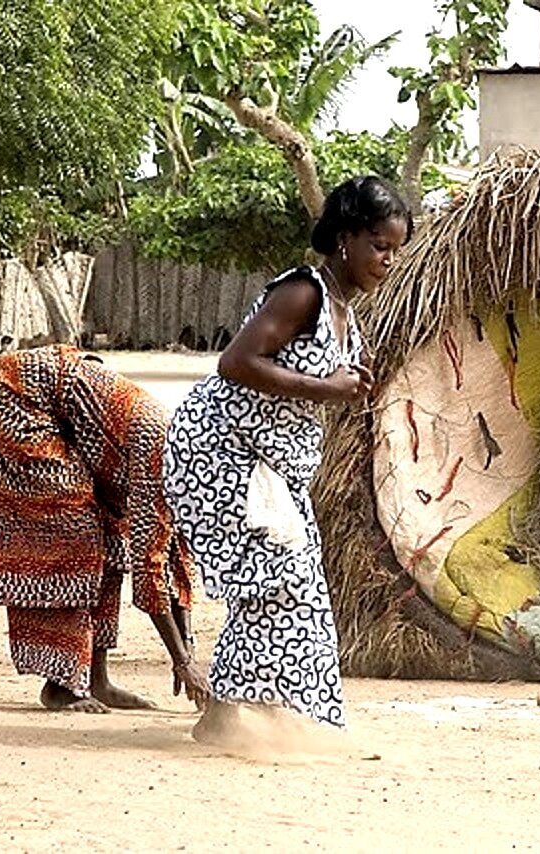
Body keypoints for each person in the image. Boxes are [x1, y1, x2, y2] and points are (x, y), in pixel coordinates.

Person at [163, 176, 410, 747]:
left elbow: (321, 379)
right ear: (345, 238)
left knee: (295, 589)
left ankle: (259, 717)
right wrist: (327, 387)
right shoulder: (304, 292)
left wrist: (349, 384)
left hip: (269, 467)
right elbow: (237, 363)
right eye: (379, 246)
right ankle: (231, 716)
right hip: (221, 452)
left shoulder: (345, 309)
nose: (388, 260)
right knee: (278, 579)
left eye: (395, 249)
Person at [0, 345, 211, 713]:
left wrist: (188, 651)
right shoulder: (160, 457)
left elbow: (175, 558)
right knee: (76, 533)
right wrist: (182, 661)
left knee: (113, 536)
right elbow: (149, 564)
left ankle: (96, 679)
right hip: (16, 395)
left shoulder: (187, 471)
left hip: (60, 410)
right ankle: (62, 685)